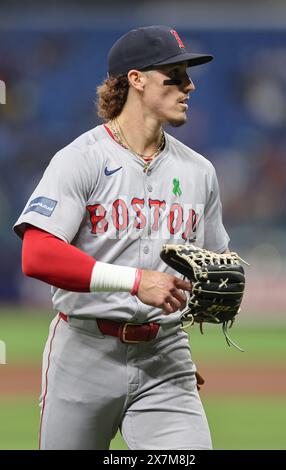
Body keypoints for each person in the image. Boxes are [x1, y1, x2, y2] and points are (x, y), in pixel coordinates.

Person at [14, 25, 229, 450]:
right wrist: (134, 281)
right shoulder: (81, 159)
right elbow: (37, 256)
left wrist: (202, 310)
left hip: (165, 358)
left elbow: (214, 262)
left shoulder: (200, 171)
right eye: (176, 74)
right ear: (137, 79)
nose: (190, 85)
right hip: (83, 352)